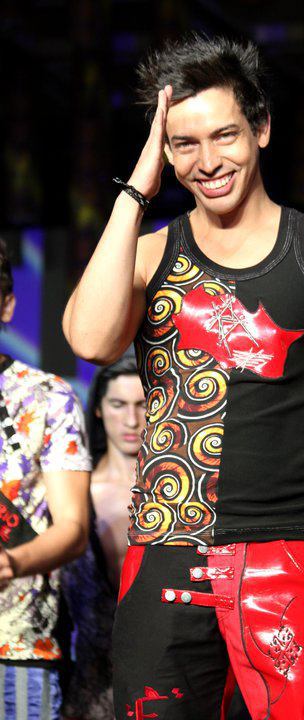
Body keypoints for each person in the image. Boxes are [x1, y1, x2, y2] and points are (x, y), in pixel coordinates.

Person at [63, 34, 304, 720]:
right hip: (167, 552)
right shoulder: (151, 254)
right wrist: (135, 192)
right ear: (166, 153)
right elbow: (89, 341)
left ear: (261, 129)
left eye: (224, 135)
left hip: (289, 552)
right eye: (184, 144)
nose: (208, 161)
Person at [0, 237, 91, 719]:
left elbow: (72, 528)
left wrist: (11, 562)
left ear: (7, 305)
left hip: (17, 649)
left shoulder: (46, 397)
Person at [61, 353, 146, 720]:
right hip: (88, 684)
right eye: (118, 404)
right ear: (98, 408)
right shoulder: (71, 496)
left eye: (142, 404)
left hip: (166, 681)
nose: (131, 420)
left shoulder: (180, 496)